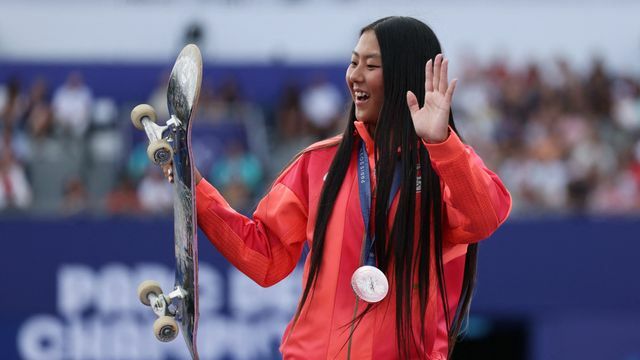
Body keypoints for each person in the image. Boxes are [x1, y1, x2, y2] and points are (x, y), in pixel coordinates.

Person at [164, 16, 511, 360]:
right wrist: (196, 187)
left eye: (371, 65)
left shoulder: (445, 168)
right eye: (353, 62)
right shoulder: (318, 163)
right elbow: (266, 258)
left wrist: (441, 143)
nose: (354, 75)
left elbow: (484, 217)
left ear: (404, 76)